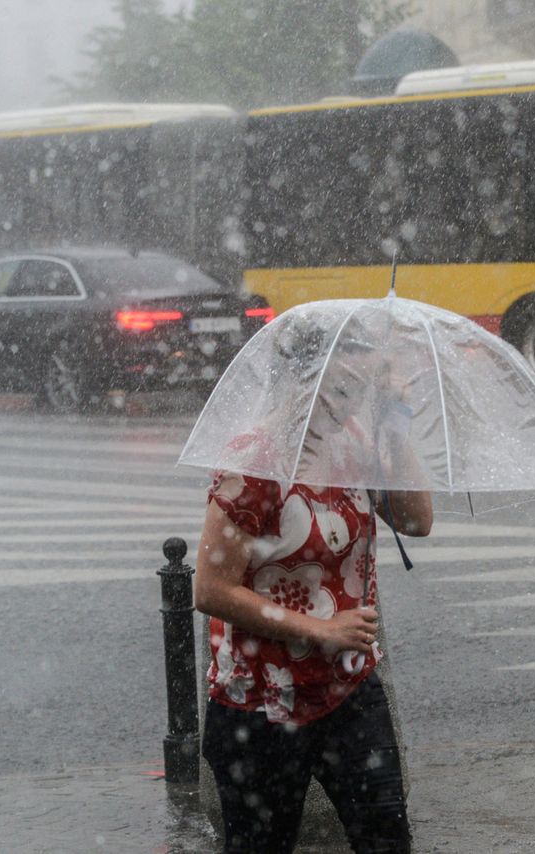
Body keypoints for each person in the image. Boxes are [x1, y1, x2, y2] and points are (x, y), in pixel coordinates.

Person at [193, 326, 433, 853]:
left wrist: (394, 426)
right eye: (342, 379)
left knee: (388, 841)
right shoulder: (256, 460)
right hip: (260, 703)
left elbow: (416, 521)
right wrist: (321, 628)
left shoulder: (354, 442)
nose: (353, 394)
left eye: (362, 381)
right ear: (307, 376)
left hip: (348, 689)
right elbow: (210, 589)